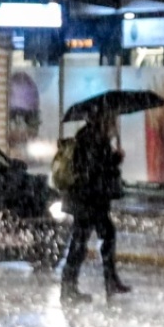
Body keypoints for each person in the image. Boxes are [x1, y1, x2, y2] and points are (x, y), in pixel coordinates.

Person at [60, 106, 131, 303]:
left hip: (91, 200)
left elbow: (97, 167)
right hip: (88, 200)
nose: (114, 123)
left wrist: (112, 159)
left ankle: (107, 281)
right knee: (81, 241)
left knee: (100, 236)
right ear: (102, 120)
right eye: (111, 119)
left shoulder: (94, 138)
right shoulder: (91, 139)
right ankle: (70, 286)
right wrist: (115, 160)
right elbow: (94, 170)